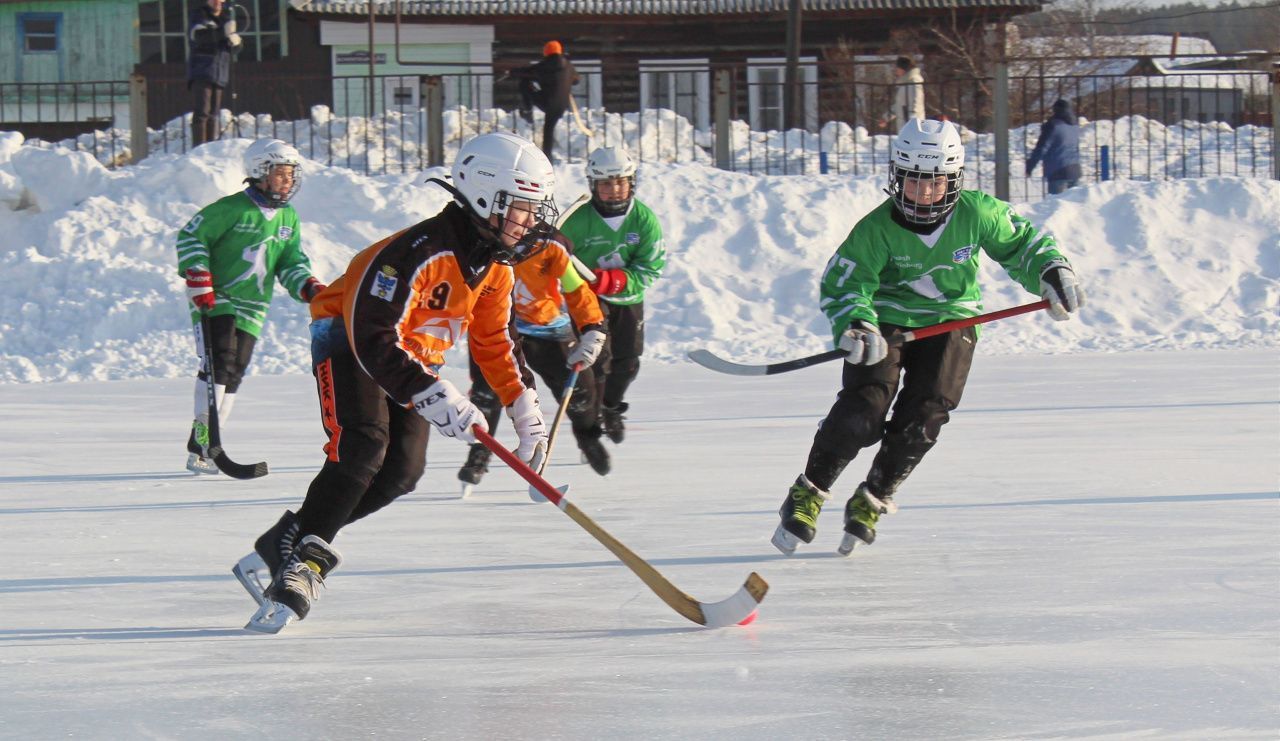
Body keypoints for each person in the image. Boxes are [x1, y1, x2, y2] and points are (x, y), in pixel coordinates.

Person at [241, 132, 556, 629]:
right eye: (520, 207)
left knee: (401, 474)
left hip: (410, 361)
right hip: (349, 339)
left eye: (534, 210)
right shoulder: (420, 251)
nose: (531, 221)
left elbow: (496, 340)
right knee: (364, 445)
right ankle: (304, 564)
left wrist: (526, 411)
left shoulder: (495, 267)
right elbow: (371, 336)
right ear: (483, 195)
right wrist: (430, 392)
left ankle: (288, 537)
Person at [772, 118, 1084, 557]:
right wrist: (857, 324)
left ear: (954, 180)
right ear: (896, 178)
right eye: (912, 182)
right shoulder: (876, 229)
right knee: (864, 412)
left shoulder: (978, 213)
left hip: (952, 321)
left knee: (925, 416)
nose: (922, 195)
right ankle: (809, 492)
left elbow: (1024, 245)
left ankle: (873, 497)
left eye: (934, 184)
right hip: (884, 320)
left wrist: (1052, 272)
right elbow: (845, 284)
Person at [177, 138, 325, 475]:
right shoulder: (231, 209)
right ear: (260, 172)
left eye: (291, 175)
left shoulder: (288, 218)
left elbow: (290, 261)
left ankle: (208, 442)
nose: (288, 181)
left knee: (235, 372)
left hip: (254, 305)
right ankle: (203, 443)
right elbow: (190, 237)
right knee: (220, 359)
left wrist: (306, 284)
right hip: (218, 297)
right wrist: (199, 276)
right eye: (281, 174)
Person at [457, 233, 609, 487]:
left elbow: (575, 288)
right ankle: (479, 455)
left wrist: (592, 325)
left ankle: (588, 436)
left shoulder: (551, 246)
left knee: (581, 389)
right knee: (486, 394)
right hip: (498, 330)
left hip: (547, 329)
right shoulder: (482, 242)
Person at [558, 146, 666, 446]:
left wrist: (616, 281)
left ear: (632, 182)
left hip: (628, 300)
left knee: (628, 363)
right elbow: (557, 261)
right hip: (589, 301)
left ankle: (611, 407)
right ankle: (590, 421)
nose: (614, 189)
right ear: (593, 185)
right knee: (597, 360)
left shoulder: (643, 219)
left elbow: (651, 267)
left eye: (620, 181)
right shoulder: (577, 221)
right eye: (606, 183)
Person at [509, 40, 580, 160]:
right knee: (548, 129)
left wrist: (512, 72)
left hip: (547, 102)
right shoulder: (569, 66)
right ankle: (547, 157)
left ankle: (527, 110)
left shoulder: (544, 65)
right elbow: (577, 80)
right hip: (562, 104)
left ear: (546, 52)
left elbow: (527, 72)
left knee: (524, 83)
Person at [187, 0, 242, 146]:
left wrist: (236, 42)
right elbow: (200, 37)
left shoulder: (225, 19)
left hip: (220, 73)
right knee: (202, 112)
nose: (218, 2)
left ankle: (210, 148)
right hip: (202, 69)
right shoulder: (199, 16)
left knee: (213, 114)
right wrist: (222, 32)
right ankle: (199, 148)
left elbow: (232, 49)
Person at [1026, 99, 1083, 195]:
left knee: (1055, 206)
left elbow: (1041, 148)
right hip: (1075, 169)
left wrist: (1030, 167)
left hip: (1057, 171)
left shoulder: (1053, 125)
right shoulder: (1074, 126)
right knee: (1074, 205)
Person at [877, 56, 925, 131]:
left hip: (912, 128)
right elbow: (900, 105)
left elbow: (915, 104)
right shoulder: (905, 83)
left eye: (897, 68)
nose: (896, 71)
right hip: (905, 126)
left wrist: (912, 124)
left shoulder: (913, 82)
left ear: (903, 68)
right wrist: (886, 118)